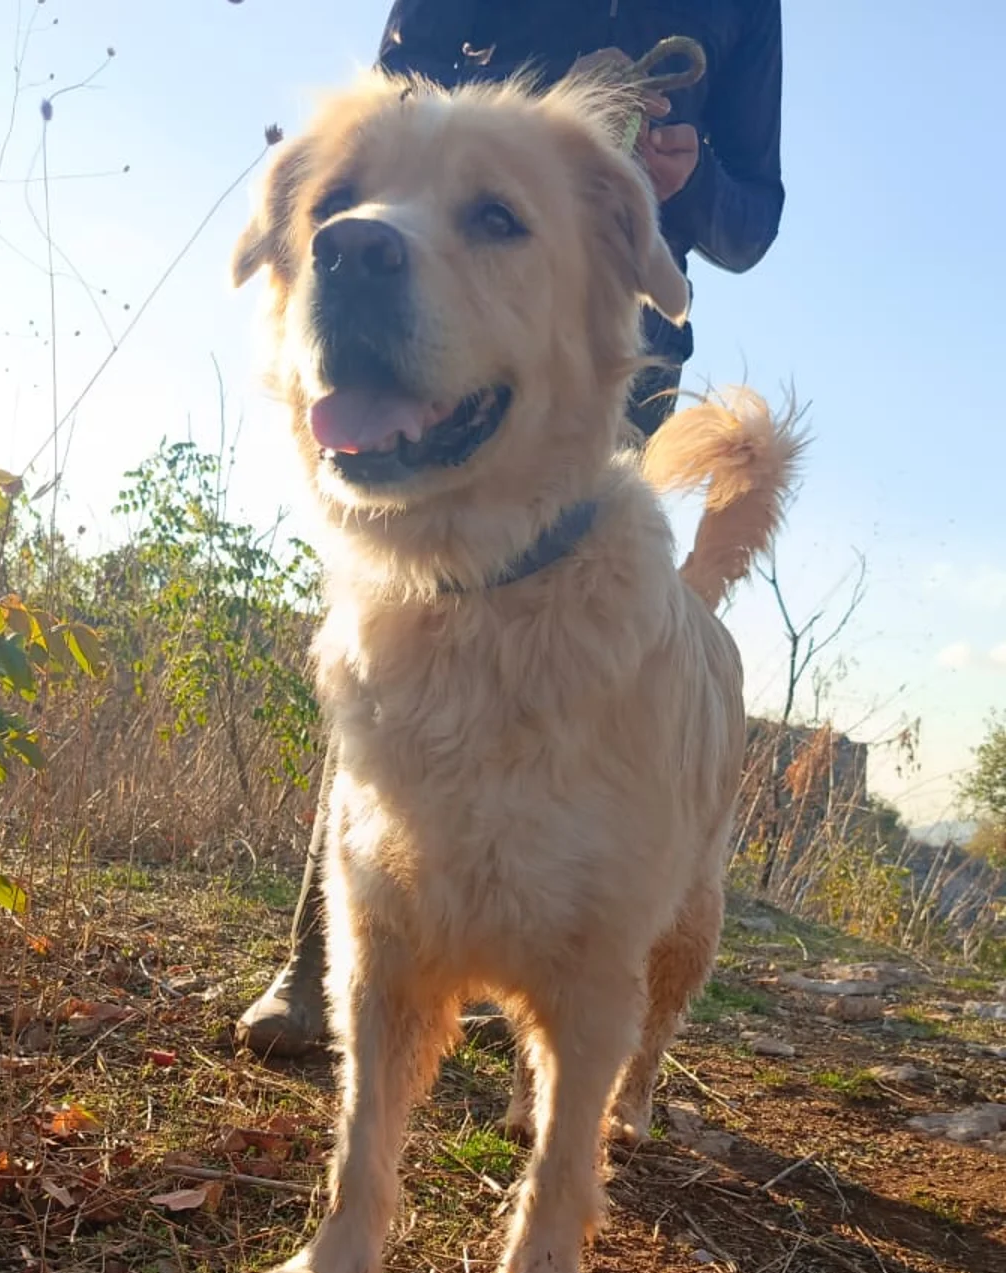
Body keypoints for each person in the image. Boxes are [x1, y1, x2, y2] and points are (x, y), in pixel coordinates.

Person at [236, 0, 784, 1058]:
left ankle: (543, 946)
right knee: (403, 631)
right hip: (422, 274)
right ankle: (330, 955)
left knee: (577, 652)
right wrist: (514, 120)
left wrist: (690, 175)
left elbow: (750, 222)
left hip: (581, 320)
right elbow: (402, 68)